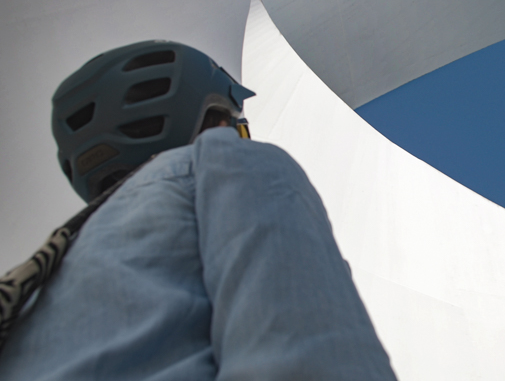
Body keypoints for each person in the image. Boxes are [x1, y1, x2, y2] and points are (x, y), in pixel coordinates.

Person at [0, 41, 397, 380]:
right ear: (211, 120)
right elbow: (305, 349)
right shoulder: (217, 165)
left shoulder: (43, 278)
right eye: (239, 128)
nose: (242, 139)